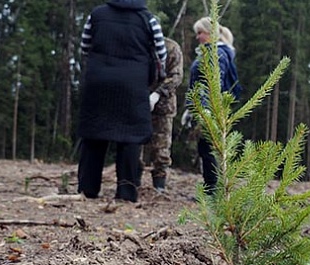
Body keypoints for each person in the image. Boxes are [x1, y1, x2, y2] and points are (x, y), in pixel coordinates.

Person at [76, 0, 167, 203]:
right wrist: (154, 78)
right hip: (133, 85)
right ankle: (126, 193)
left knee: (93, 136)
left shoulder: (97, 14)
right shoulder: (149, 19)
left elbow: (84, 47)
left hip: (98, 83)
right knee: (130, 138)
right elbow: (161, 56)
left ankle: (87, 190)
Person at [182, 17, 242, 195]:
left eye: (200, 33)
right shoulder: (213, 52)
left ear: (211, 33)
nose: (198, 37)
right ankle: (213, 190)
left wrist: (208, 108)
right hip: (205, 108)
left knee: (209, 150)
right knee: (206, 149)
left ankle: (213, 192)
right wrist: (190, 108)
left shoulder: (216, 54)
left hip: (212, 109)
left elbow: (214, 83)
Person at [144, 37, 184, 193]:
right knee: (136, 146)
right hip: (140, 102)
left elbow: (176, 76)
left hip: (164, 105)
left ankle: (159, 185)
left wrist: (157, 93)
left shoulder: (171, 47)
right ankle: (134, 180)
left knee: (162, 146)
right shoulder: (140, 44)